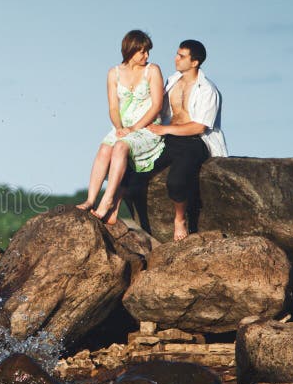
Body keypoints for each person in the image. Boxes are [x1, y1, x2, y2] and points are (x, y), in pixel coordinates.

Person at [129, 39, 228, 240]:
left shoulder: (207, 89)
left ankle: (180, 220)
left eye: (181, 56)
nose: (176, 58)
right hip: (168, 139)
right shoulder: (172, 81)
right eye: (177, 54)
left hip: (195, 142)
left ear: (195, 62)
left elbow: (199, 126)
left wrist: (164, 129)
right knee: (135, 170)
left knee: (175, 181)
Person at [76, 30, 165, 224]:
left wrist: (134, 128)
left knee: (120, 147)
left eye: (147, 51)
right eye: (142, 51)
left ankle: (108, 200)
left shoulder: (153, 70)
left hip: (146, 127)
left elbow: (157, 105)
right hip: (123, 127)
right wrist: (118, 127)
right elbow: (113, 107)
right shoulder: (113, 73)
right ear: (130, 50)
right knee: (104, 149)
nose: (146, 56)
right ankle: (91, 199)